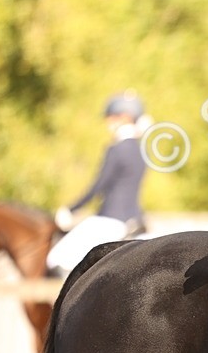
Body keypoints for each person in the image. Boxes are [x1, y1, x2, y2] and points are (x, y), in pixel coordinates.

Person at [46, 91, 150, 277]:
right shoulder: (142, 151)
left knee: (56, 259)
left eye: (111, 118)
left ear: (124, 118)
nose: (108, 123)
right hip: (135, 221)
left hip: (110, 220)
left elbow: (98, 186)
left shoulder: (116, 149)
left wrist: (71, 209)